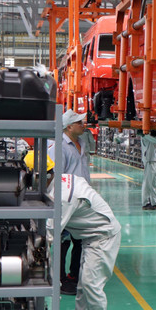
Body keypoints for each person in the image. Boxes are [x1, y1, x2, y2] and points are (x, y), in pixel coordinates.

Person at [24, 151, 121, 310]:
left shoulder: (63, 196)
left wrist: (25, 252)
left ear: (37, 175)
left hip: (103, 236)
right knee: (84, 284)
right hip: (89, 236)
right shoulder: (60, 181)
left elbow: (50, 233)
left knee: (91, 283)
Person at [49, 109, 92, 295]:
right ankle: (60, 280)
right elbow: (56, 177)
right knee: (63, 241)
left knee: (80, 240)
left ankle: (74, 275)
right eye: (80, 123)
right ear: (68, 127)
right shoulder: (59, 146)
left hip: (83, 200)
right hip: (66, 201)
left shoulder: (81, 143)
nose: (84, 125)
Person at [140, 131, 156, 210]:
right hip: (149, 161)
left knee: (153, 183)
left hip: (154, 160)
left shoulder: (151, 136)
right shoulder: (145, 136)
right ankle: (145, 203)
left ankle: (154, 201)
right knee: (147, 183)